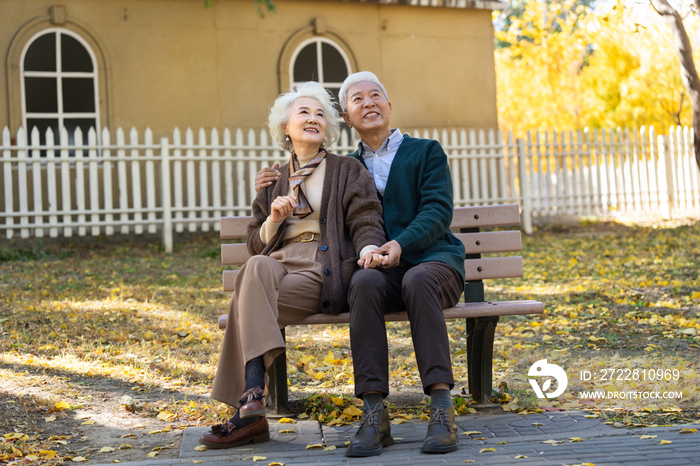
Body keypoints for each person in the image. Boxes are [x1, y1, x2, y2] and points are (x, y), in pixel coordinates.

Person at [254, 72, 466, 456]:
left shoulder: (425, 152)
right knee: (362, 284)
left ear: (389, 105)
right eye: (356, 99)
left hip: (434, 263)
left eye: (376, 95)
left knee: (417, 280)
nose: (368, 102)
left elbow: (438, 211)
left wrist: (400, 243)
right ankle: (373, 413)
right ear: (348, 120)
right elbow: (313, 190)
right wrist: (275, 178)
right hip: (382, 271)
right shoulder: (346, 169)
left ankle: (440, 407)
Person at [199, 81, 387, 449]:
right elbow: (256, 241)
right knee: (256, 266)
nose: (313, 118)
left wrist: (369, 249)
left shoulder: (347, 169)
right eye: (303, 112)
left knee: (244, 300)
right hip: (278, 266)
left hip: (323, 268)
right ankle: (253, 392)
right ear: (286, 127)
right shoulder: (273, 178)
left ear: (329, 128)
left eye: (320, 114)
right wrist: (272, 218)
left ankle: (247, 413)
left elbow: (366, 219)